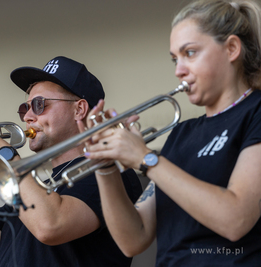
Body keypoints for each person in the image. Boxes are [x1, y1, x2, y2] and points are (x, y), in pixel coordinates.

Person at [82, 0, 261, 266]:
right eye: (175, 59)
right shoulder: (181, 134)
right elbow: (133, 240)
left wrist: (146, 158)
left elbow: (235, 219)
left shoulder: (255, 112)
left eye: (190, 53)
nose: (179, 70)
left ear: (232, 49)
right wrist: (105, 166)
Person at [0, 56, 143, 266]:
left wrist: (3, 153)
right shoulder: (39, 189)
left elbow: (51, 226)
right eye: (25, 108)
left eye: (39, 104)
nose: (27, 117)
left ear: (79, 109)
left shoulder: (108, 173)